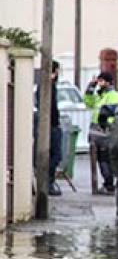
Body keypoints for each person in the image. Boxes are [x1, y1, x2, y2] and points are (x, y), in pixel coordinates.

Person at [84, 71, 118, 194]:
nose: (99, 83)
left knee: (106, 159)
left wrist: (105, 122)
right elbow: (87, 102)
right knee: (100, 159)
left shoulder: (113, 95)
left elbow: (113, 111)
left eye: (102, 81)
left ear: (108, 82)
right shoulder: (100, 95)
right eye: (99, 81)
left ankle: (109, 184)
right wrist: (91, 86)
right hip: (97, 132)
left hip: (107, 131)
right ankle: (107, 183)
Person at [38, 60, 63, 196]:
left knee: (52, 155)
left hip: (48, 125)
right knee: (55, 155)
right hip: (51, 126)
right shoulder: (49, 86)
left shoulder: (43, 85)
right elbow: (51, 107)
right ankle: (48, 183)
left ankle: (47, 182)